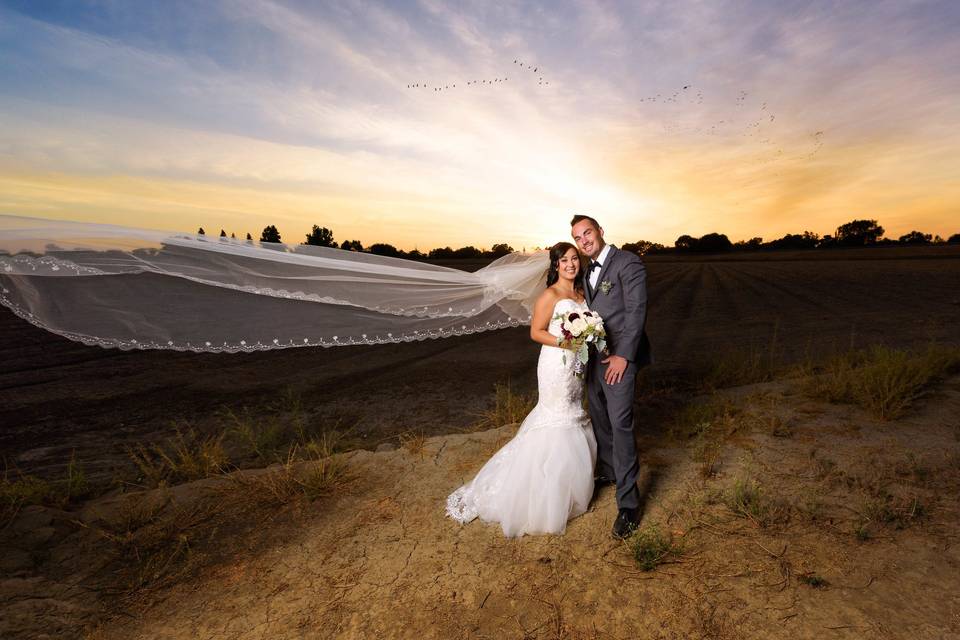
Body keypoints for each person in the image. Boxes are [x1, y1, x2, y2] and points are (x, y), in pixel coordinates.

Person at [445, 242, 598, 537]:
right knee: (557, 416)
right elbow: (536, 332)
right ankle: (542, 493)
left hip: (578, 365)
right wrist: (568, 342)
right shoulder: (550, 295)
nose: (570, 264)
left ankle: (568, 486)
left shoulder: (581, 294)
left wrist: (588, 337)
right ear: (555, 265)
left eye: (574, 259)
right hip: (556, 363)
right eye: (564, 260)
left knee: (576, 411)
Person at [571, 214, 652, 539]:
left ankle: (629, 504)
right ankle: (609, 472)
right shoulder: (586, 270)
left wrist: (624, 356)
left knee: (620, 424)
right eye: (578, 237)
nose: (584, 240)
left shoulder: (627, 262)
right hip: (595, 359)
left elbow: (636, 310)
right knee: (600, 418)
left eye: (587, 232)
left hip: (620, 358)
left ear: (600, 231)